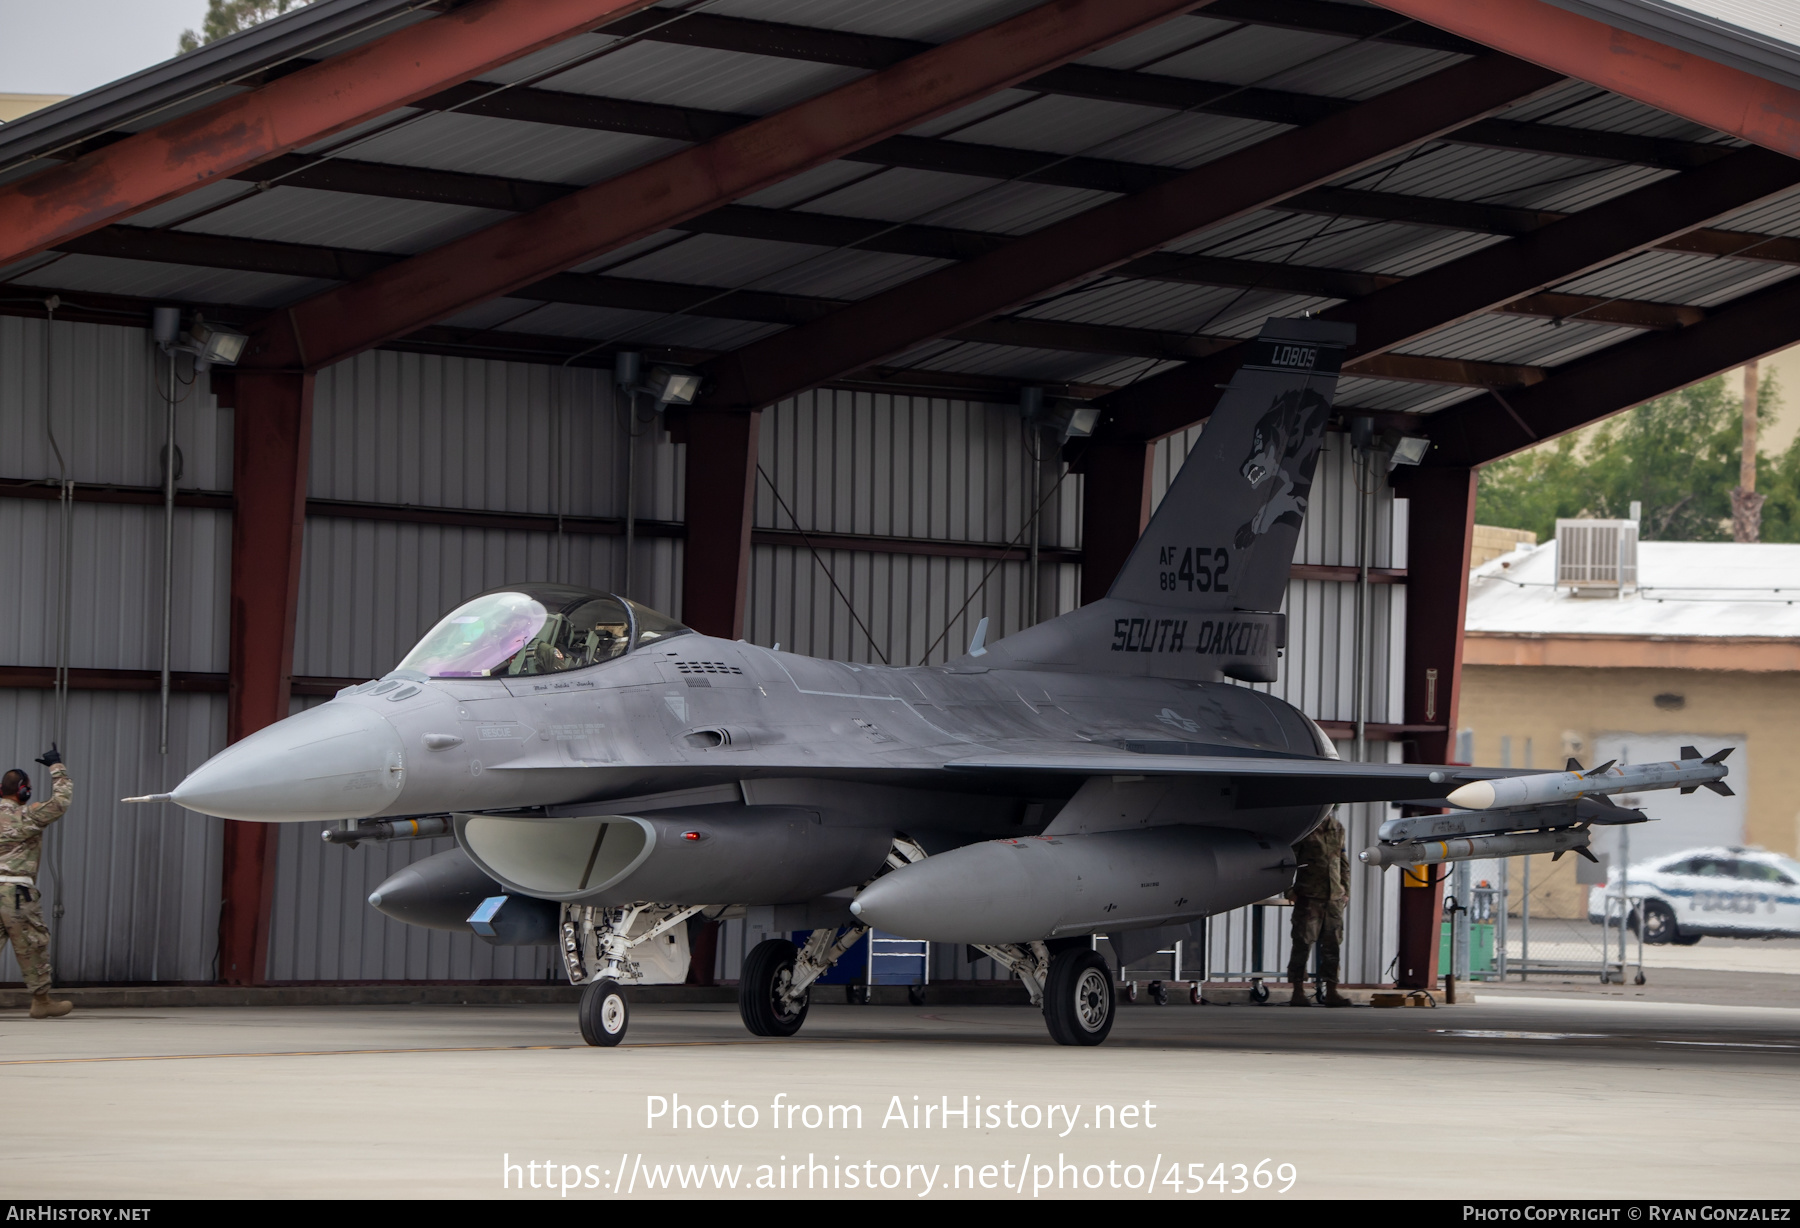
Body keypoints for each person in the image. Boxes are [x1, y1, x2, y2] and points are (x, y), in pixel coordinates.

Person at [0, 744, 74, 1019]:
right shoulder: (28, 815)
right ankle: (41, 1001)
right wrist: (57, 767)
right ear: (24, 791)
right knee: (33, 946)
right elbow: (61, 802)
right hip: (17, 893)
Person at [1287, 808, 1351, 1007]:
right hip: (1309, 896)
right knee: (1303, 943)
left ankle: (1332, 991)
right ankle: (1297, 991)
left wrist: (1345, 889)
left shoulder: (1337, 828)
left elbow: (1342, 861)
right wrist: (1289, 890)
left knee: (1332, 946)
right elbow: (1291, 861)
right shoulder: (1305, 829)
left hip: (1333, 898)